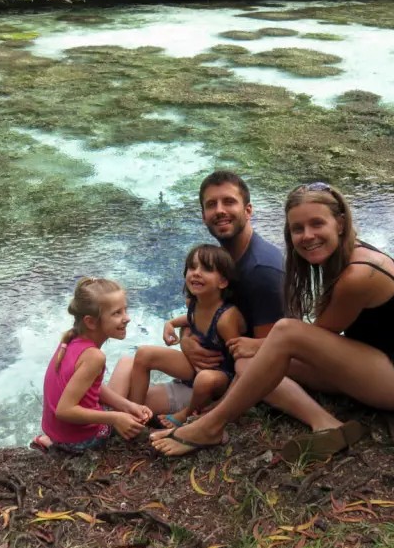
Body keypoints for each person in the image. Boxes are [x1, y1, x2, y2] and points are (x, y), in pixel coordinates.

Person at [151, 182, 394, 460]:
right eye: (297, 228)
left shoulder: (360, 274)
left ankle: (210, 426)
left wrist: (261, 343)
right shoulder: (339, 255)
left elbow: (312, 336)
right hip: (367, 363)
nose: (307, 235)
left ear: (339, 222)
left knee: (283, 333)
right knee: (248, 363)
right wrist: (253, 347)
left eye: (317, 224)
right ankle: (326, 423)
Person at [107, 171, 284, 417]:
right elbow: (199, 313)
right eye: (212, 204)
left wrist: (218, 408)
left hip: (224, 379)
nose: (220, 210)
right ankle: (108, 417)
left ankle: (104, 421)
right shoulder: (223, 261)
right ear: (203, 216)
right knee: (131, 370)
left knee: (123, 399)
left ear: (248, 210)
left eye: (229, 201)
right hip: (200, 366)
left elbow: (266, 354)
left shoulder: (262, 271)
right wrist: (187, 340)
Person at [127, 244, 246, 428]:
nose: (196, 273)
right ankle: (134, 413)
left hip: (221, 377)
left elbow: (241, 362)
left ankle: (185, 413)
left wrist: (225, 402)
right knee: (144, 353)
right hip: (195, 367)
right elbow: (191, 318)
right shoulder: (193, 302)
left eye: (206, 269)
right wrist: (171, 324)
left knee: (204, 379)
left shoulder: (226, 318)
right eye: (192, 267)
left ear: (222, 282)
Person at [31, 277, 153, 453]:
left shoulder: (71, 339)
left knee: (127, 362)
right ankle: (56, 448)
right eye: (117, 313)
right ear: (90, 322)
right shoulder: (94, 357)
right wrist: (116, 418)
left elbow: (87, 386)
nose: (127, 318)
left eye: (125, 310)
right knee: (131, 425)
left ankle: (50, 442)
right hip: (81, 440)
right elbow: (64, 411)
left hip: (58, 432)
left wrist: (128, 406)